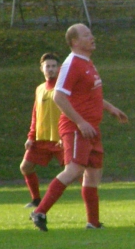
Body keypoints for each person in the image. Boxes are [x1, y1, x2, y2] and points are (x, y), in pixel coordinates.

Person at [30, 24, 129, 231]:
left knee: (93, 174)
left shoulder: (87, 62)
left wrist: (110, 108)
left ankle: (93, 223)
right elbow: (59, 96)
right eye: (86, 35)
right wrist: (80, 122)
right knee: (74, 169)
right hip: (76, 127)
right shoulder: (71, 64)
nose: (92, 37)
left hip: (91, 127)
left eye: (91, 33)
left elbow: (89, 94)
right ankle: (39, 211)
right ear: (74, 41)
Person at [20, 53, 64, 208]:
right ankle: (36, 200)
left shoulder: (63, 88)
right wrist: (31, 136)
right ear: (42, 69)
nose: (50, 69)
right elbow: (36, 114)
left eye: (53, 66)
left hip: (60, 139)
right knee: (25, 167)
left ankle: (91, 201)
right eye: (48, 66)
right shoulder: (39, 89)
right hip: (41, 139)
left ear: (59, 68)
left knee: (76, 171)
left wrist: (67, 134)